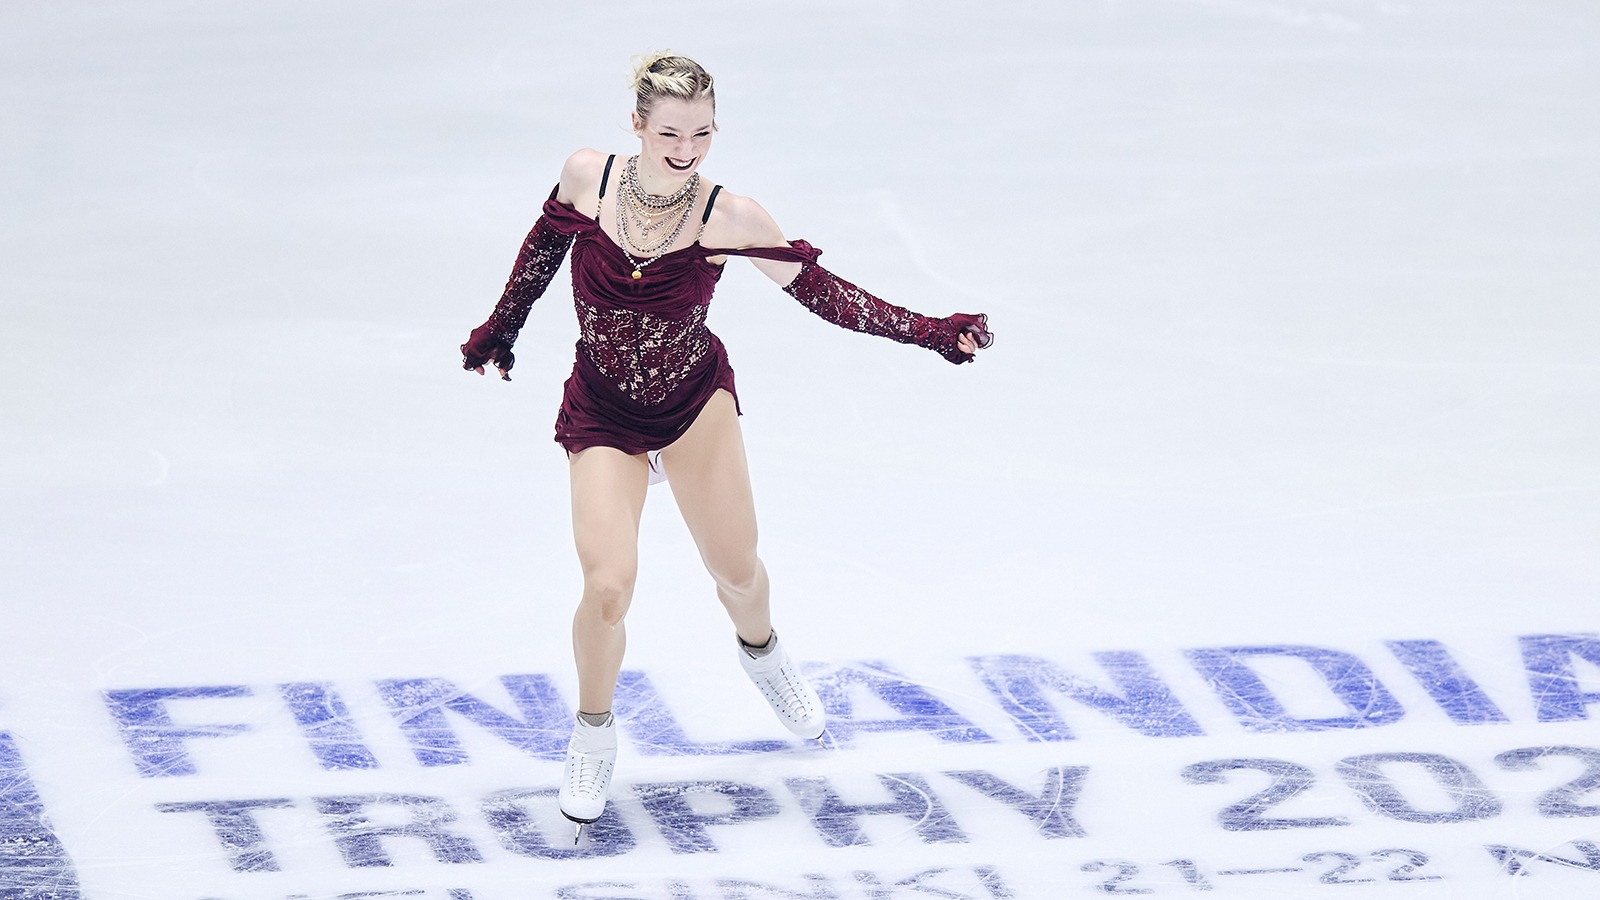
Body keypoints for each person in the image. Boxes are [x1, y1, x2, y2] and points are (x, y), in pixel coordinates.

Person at [460, 52, 992, 833]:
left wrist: (931, 333)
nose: (685, 148)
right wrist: (501, 327)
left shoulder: (729, 216)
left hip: (692, 404)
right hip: (604, 410)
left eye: (702, 133)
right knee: (608, 586)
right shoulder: (587, 177)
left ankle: (764, 651)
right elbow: (542, 252)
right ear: (636, 124)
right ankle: (593, 733)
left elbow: (825, 295)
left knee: (737, 573)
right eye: (670, 131)